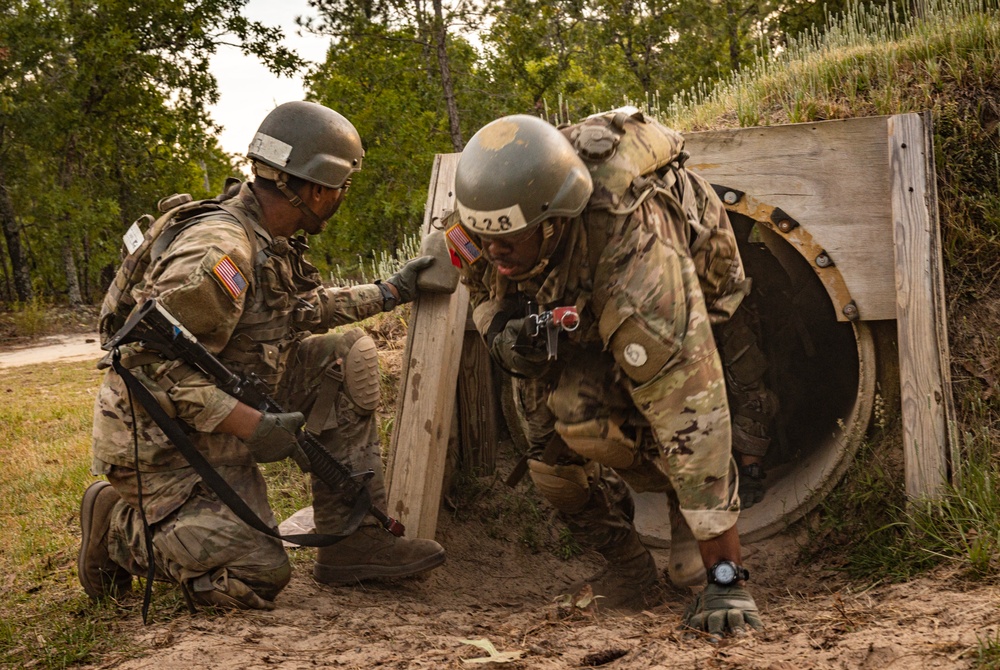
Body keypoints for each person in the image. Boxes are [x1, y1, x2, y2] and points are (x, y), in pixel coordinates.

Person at [79, 100, 446, 611]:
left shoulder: (267, 234)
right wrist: (250, 424)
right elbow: (146, 366)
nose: (342, 198)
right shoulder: (221, 249)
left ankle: (352, 539)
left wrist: (390, 291)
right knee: (255, 573)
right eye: (343, 187)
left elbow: (295, 310)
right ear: (317, 188)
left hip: (219, 407)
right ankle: (114, 525)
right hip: (160, 439)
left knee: (344, 357)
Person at [449, 109, 763, 635]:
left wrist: (726, 581)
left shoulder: (631, 243)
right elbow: (479, 287)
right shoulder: (482, 227)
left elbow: (690, 409)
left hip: (673, 297)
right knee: (552, 454)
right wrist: (503, 328)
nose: (493, 251)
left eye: (510, 241)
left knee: (668, 405)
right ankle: (629, 568)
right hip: (570, 308)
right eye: (485, 239)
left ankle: (684, 514)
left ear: (553, 222)